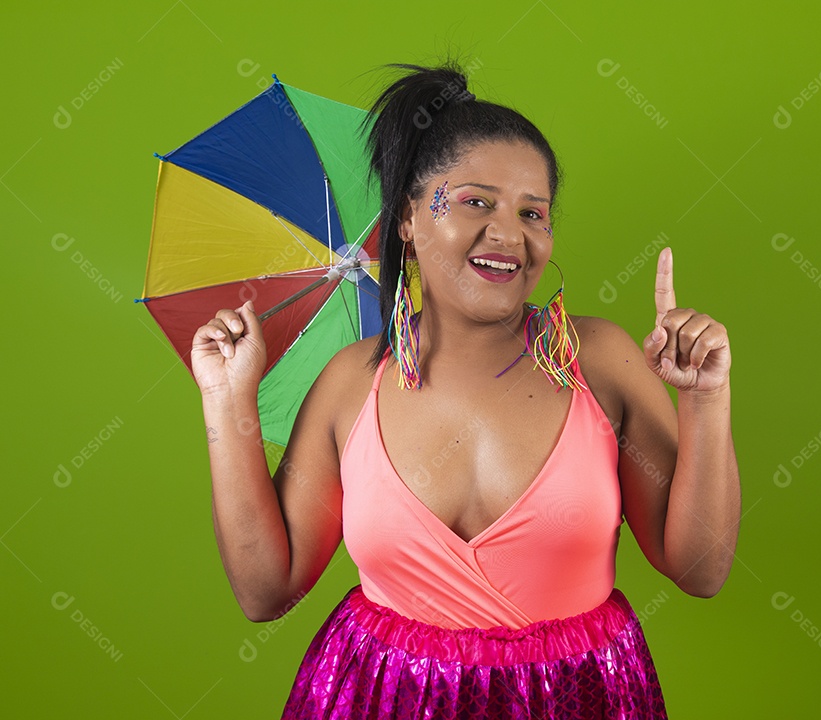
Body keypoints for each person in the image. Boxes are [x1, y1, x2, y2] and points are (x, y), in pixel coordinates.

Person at [191, 61, 740, 719]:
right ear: (407, 221)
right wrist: (224, 399)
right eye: (475, 201)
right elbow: (265, 591)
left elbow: (700, 571)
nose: (509, 234)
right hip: (379, 699)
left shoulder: (599, 362)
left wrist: (706, 399)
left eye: (532, 212)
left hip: (573, 699)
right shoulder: (349, 384)